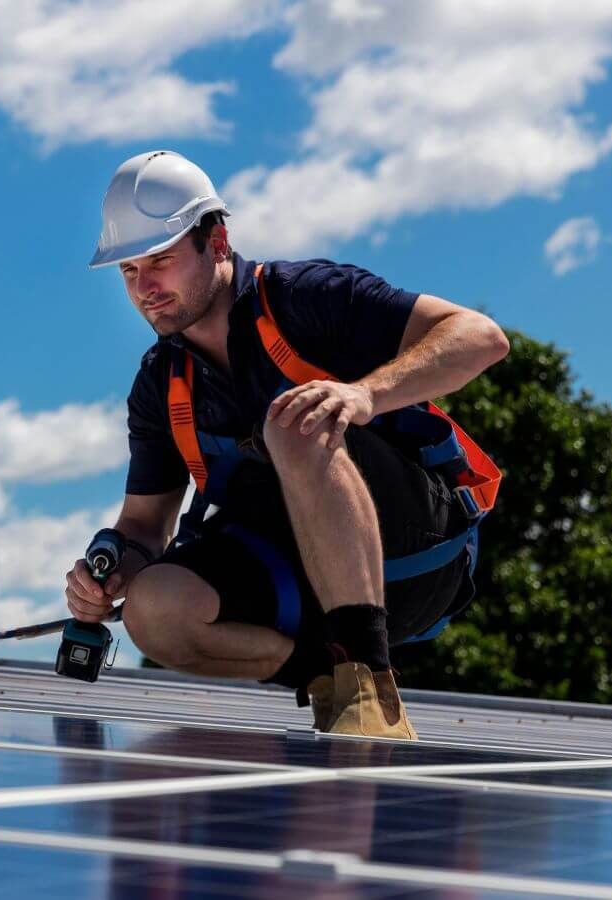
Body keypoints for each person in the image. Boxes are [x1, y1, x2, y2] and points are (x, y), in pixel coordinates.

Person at [66, 150, 509, 739]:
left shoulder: (307, 298)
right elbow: (146, 528)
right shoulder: (159, 386)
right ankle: (322, 672)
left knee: (294, 419)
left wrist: (364, 395)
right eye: (128, 272)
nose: (145, 287)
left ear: (217, 241)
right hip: (300, 580)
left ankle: (369, 683)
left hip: (414, 559)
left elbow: (481, 337)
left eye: (161, 261)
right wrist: (107, 571)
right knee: (154, 608)